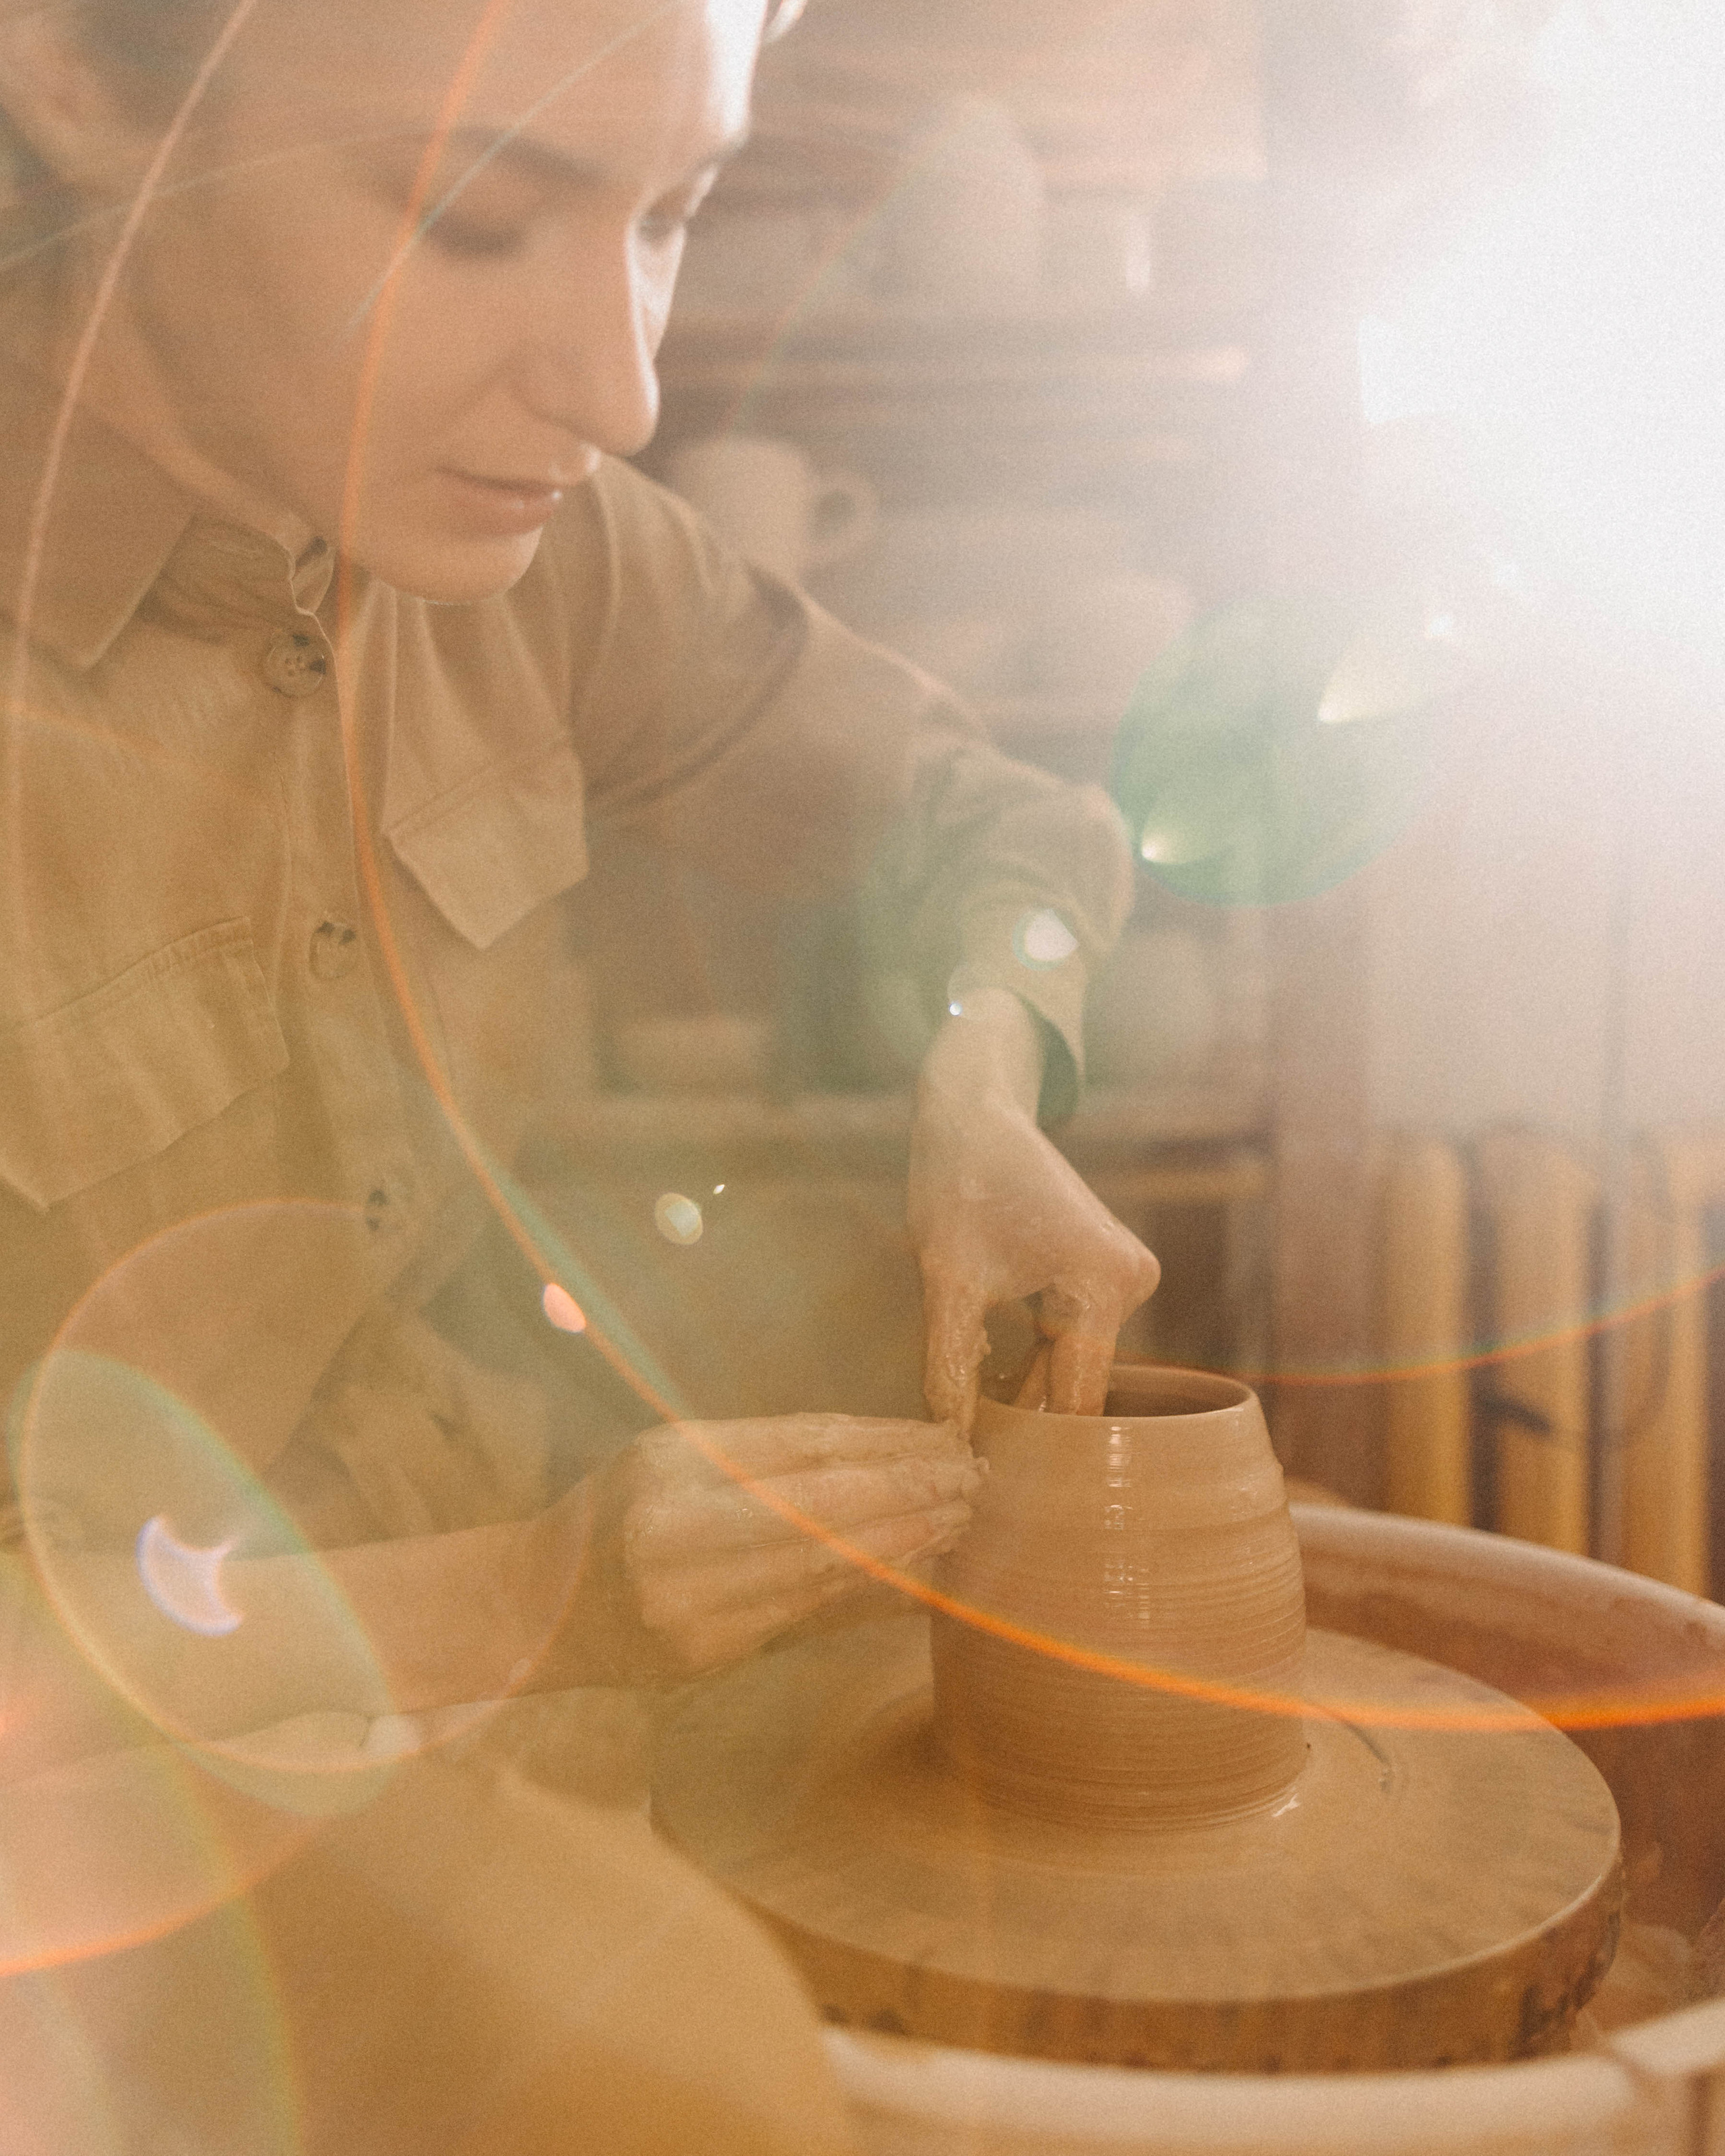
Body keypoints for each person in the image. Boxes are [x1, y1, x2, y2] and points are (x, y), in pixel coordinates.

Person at [0, 0, 1160, 2145]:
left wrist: (983, 1076)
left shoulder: (526, 556)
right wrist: (520, 1605)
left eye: (673, 213)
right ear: (72, 69)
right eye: (475, 216)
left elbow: (992, 829)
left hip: (434, 1639)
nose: (620, 387)